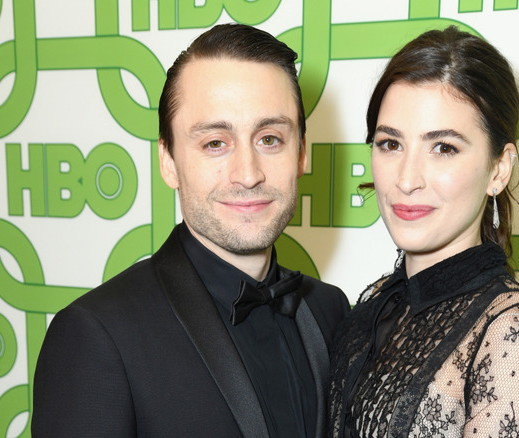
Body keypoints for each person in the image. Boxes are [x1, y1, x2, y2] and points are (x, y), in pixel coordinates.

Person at [32, 23, 349, 438]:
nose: (248, 174)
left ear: (302, 153)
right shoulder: (97, 338)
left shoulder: (331, 311)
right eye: (215, 143)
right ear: (168, 161)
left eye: (270, 138)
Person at [328, 27, 519, 437]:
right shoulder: (377, 300)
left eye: (444, 148)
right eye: (390, 144)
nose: (406, 179)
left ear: (498, 169)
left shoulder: (513, 332)